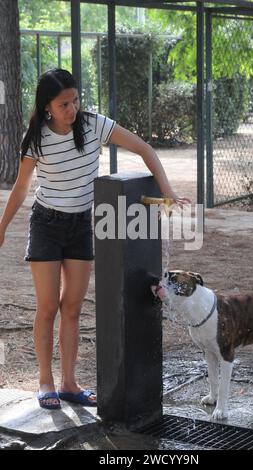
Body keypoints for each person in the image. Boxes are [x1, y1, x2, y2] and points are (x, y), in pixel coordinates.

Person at [0, 68, 190, 410]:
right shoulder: (37, 138)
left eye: (75, 100)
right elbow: (21, 188)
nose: (72, 109)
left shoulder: (94, 124)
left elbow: (143, 148)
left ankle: (69, 383)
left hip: (80, 226)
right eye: (63, 104)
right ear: (47, 107)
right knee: (47, 307)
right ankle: (46, 382)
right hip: (46, 224)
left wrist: (168, 191)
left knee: (71, 307)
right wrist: (1, 227)